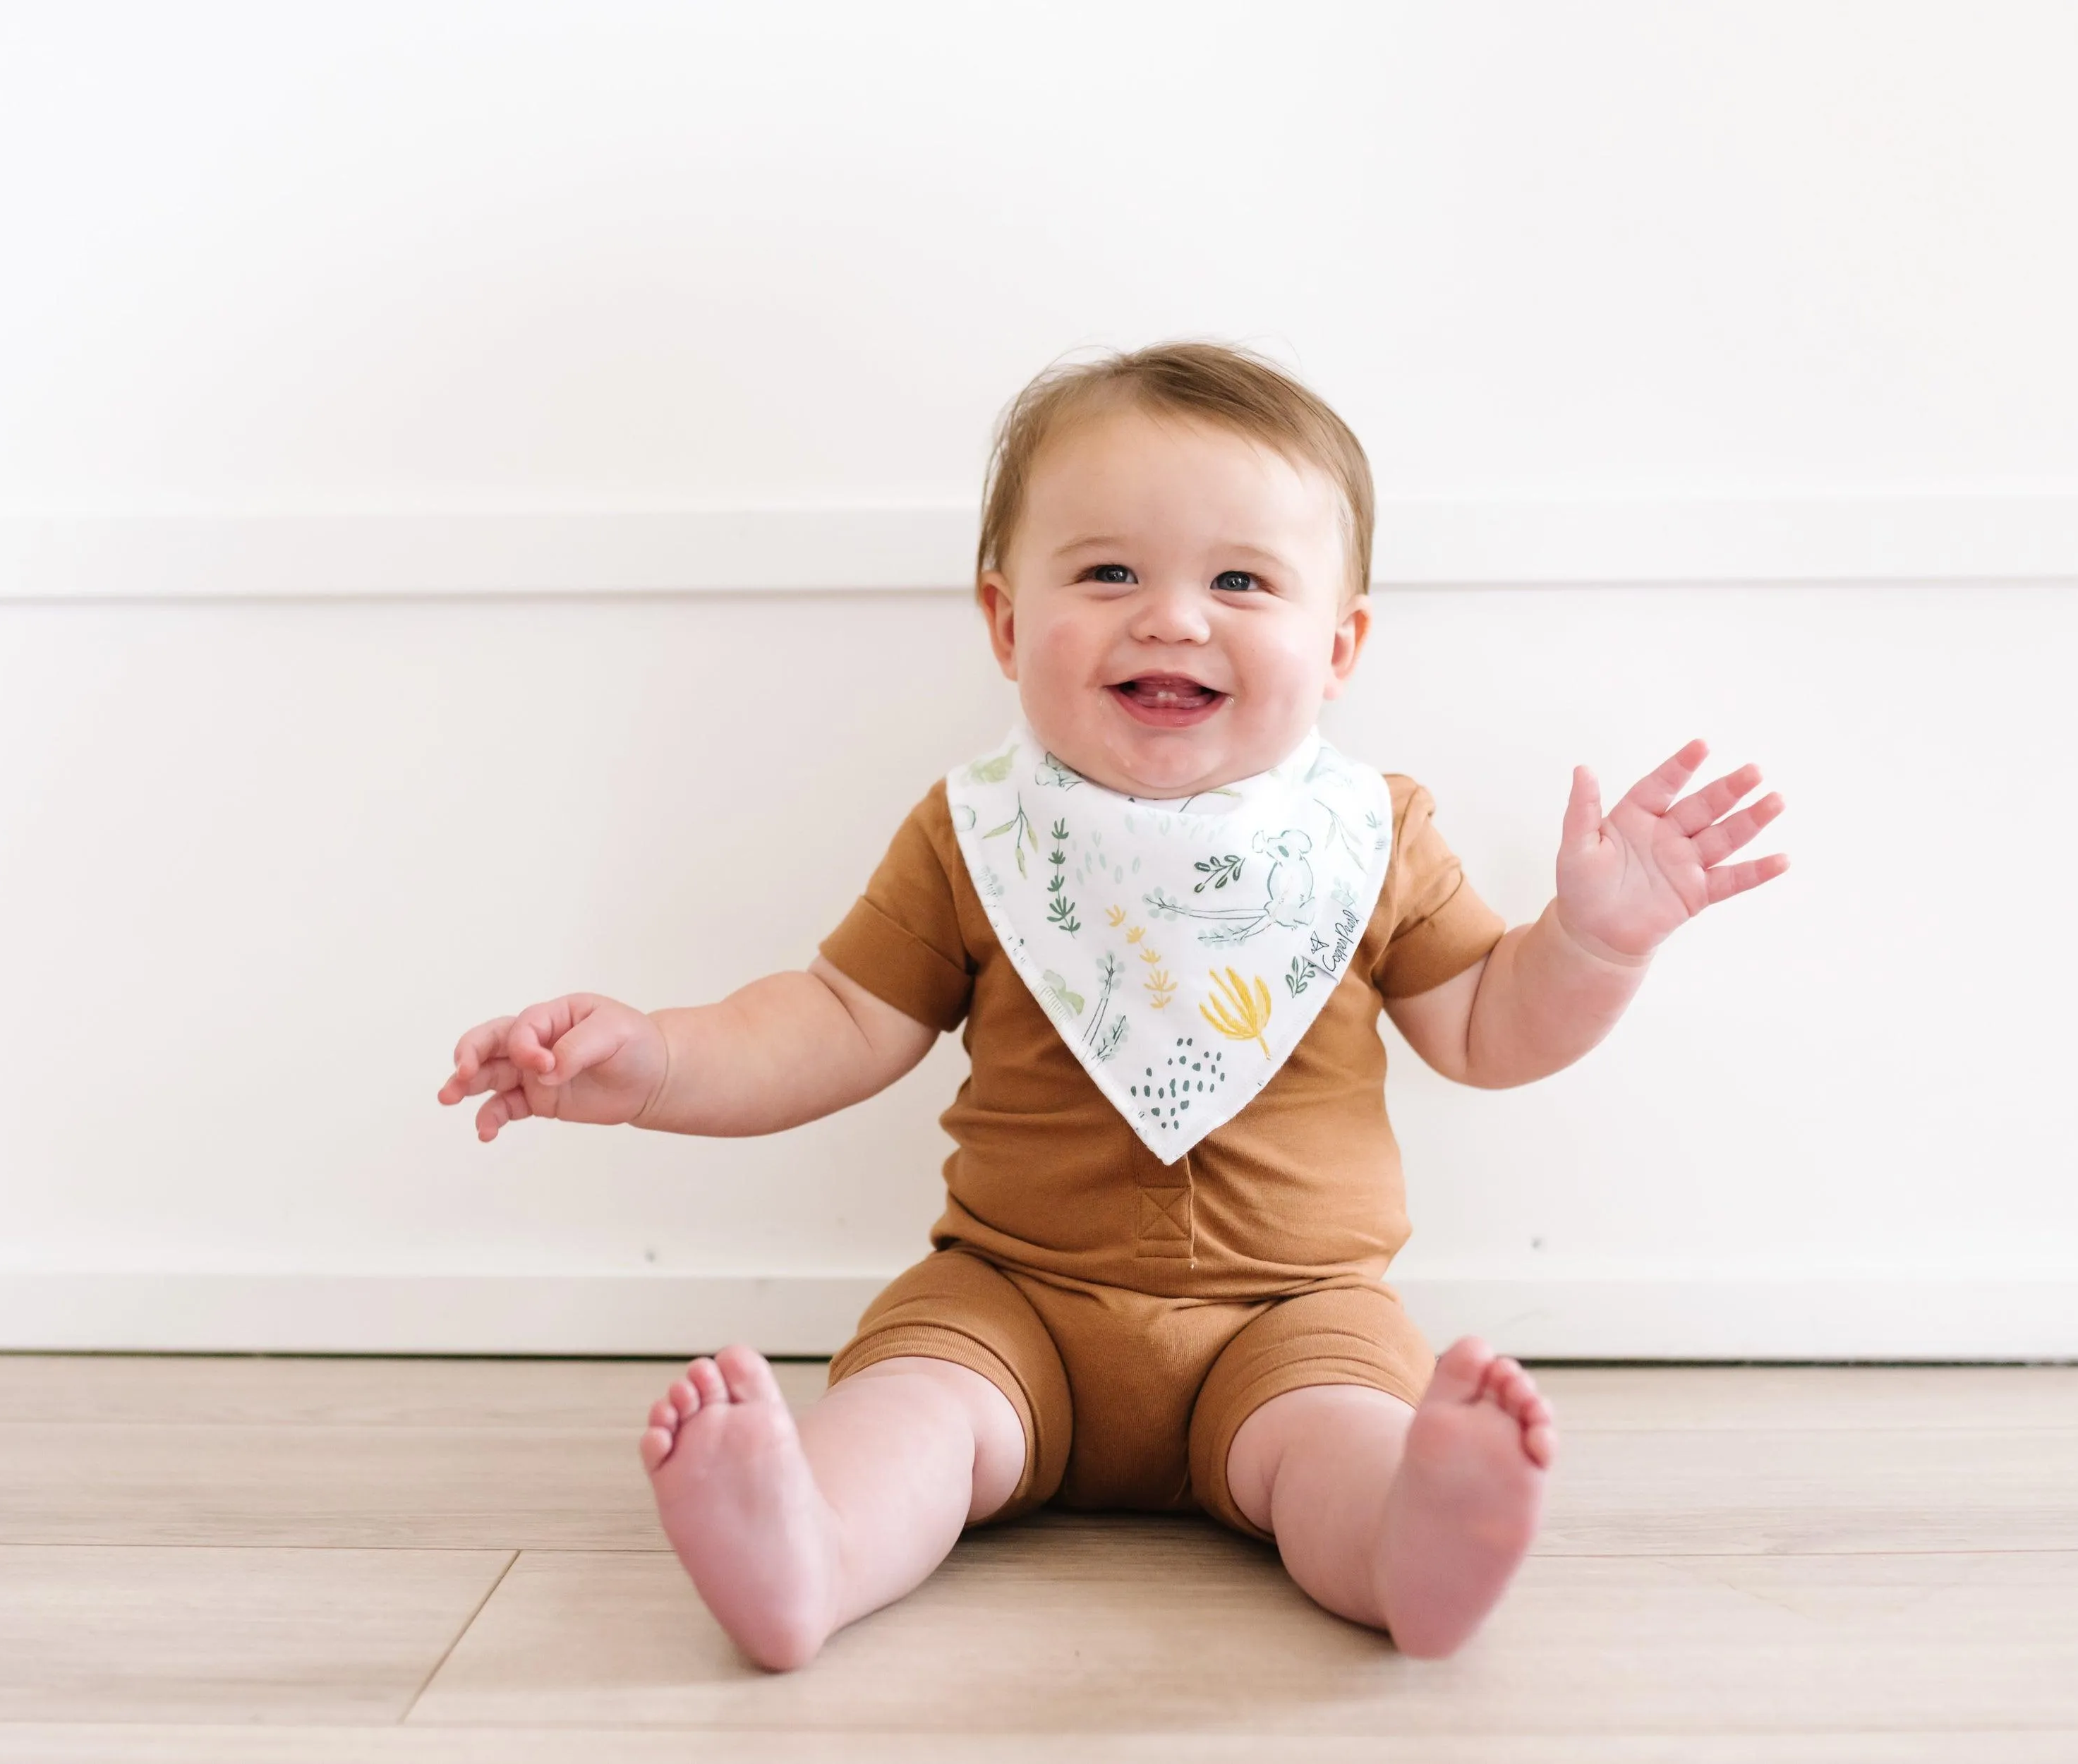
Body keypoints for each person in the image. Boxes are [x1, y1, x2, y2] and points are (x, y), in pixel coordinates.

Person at [435, 342, 1789, 1669]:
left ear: (1340, 644)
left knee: (1341, 1434)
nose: (1174, 615)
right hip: (1012, 1295)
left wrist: (1596, 946)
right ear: (1009, 624)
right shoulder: (977, 835)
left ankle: (1408, 1544)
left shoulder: (1370, 839)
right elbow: (837, 1019)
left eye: (1241, 580)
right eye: (1109, 573)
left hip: (1296, 1311)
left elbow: (1491, 1029)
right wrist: (657, 1062)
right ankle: (813, 1550)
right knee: (911, 1407)